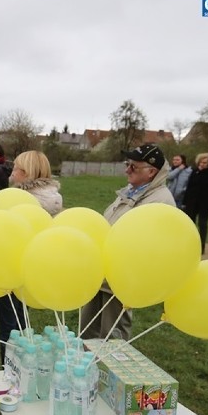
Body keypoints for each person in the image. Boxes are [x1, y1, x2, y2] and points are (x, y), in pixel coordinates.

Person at [80, 143, 175, 340]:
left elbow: (148, 243)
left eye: (133, 166)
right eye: (127, 164)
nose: (127, 170)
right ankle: (86, 367)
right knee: (88, 329)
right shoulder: (130, 192)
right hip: (101, 273)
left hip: (122, 277)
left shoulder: (160, 201)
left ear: (151, 172)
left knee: (113, 335)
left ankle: (111, 370)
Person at [0, 150, 63, 362]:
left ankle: (9, 367)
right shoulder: (53, 198)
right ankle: (25, 363)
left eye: (16, 168)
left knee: (8, 322)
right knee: (21, 319)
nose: (12, 172)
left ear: (26, 173)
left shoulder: (23, 200)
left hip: (13, 266)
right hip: (36, 267)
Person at [183, 152, 208, 253]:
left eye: (206, 162)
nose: (203, 164)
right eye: (202, 162)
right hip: (192, 202)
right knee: (190, 223)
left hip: (205, 203)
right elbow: (189, 187)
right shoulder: (194, 171)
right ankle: (189, 244)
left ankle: (201, 246)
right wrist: (185, 202)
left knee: (203, 224)